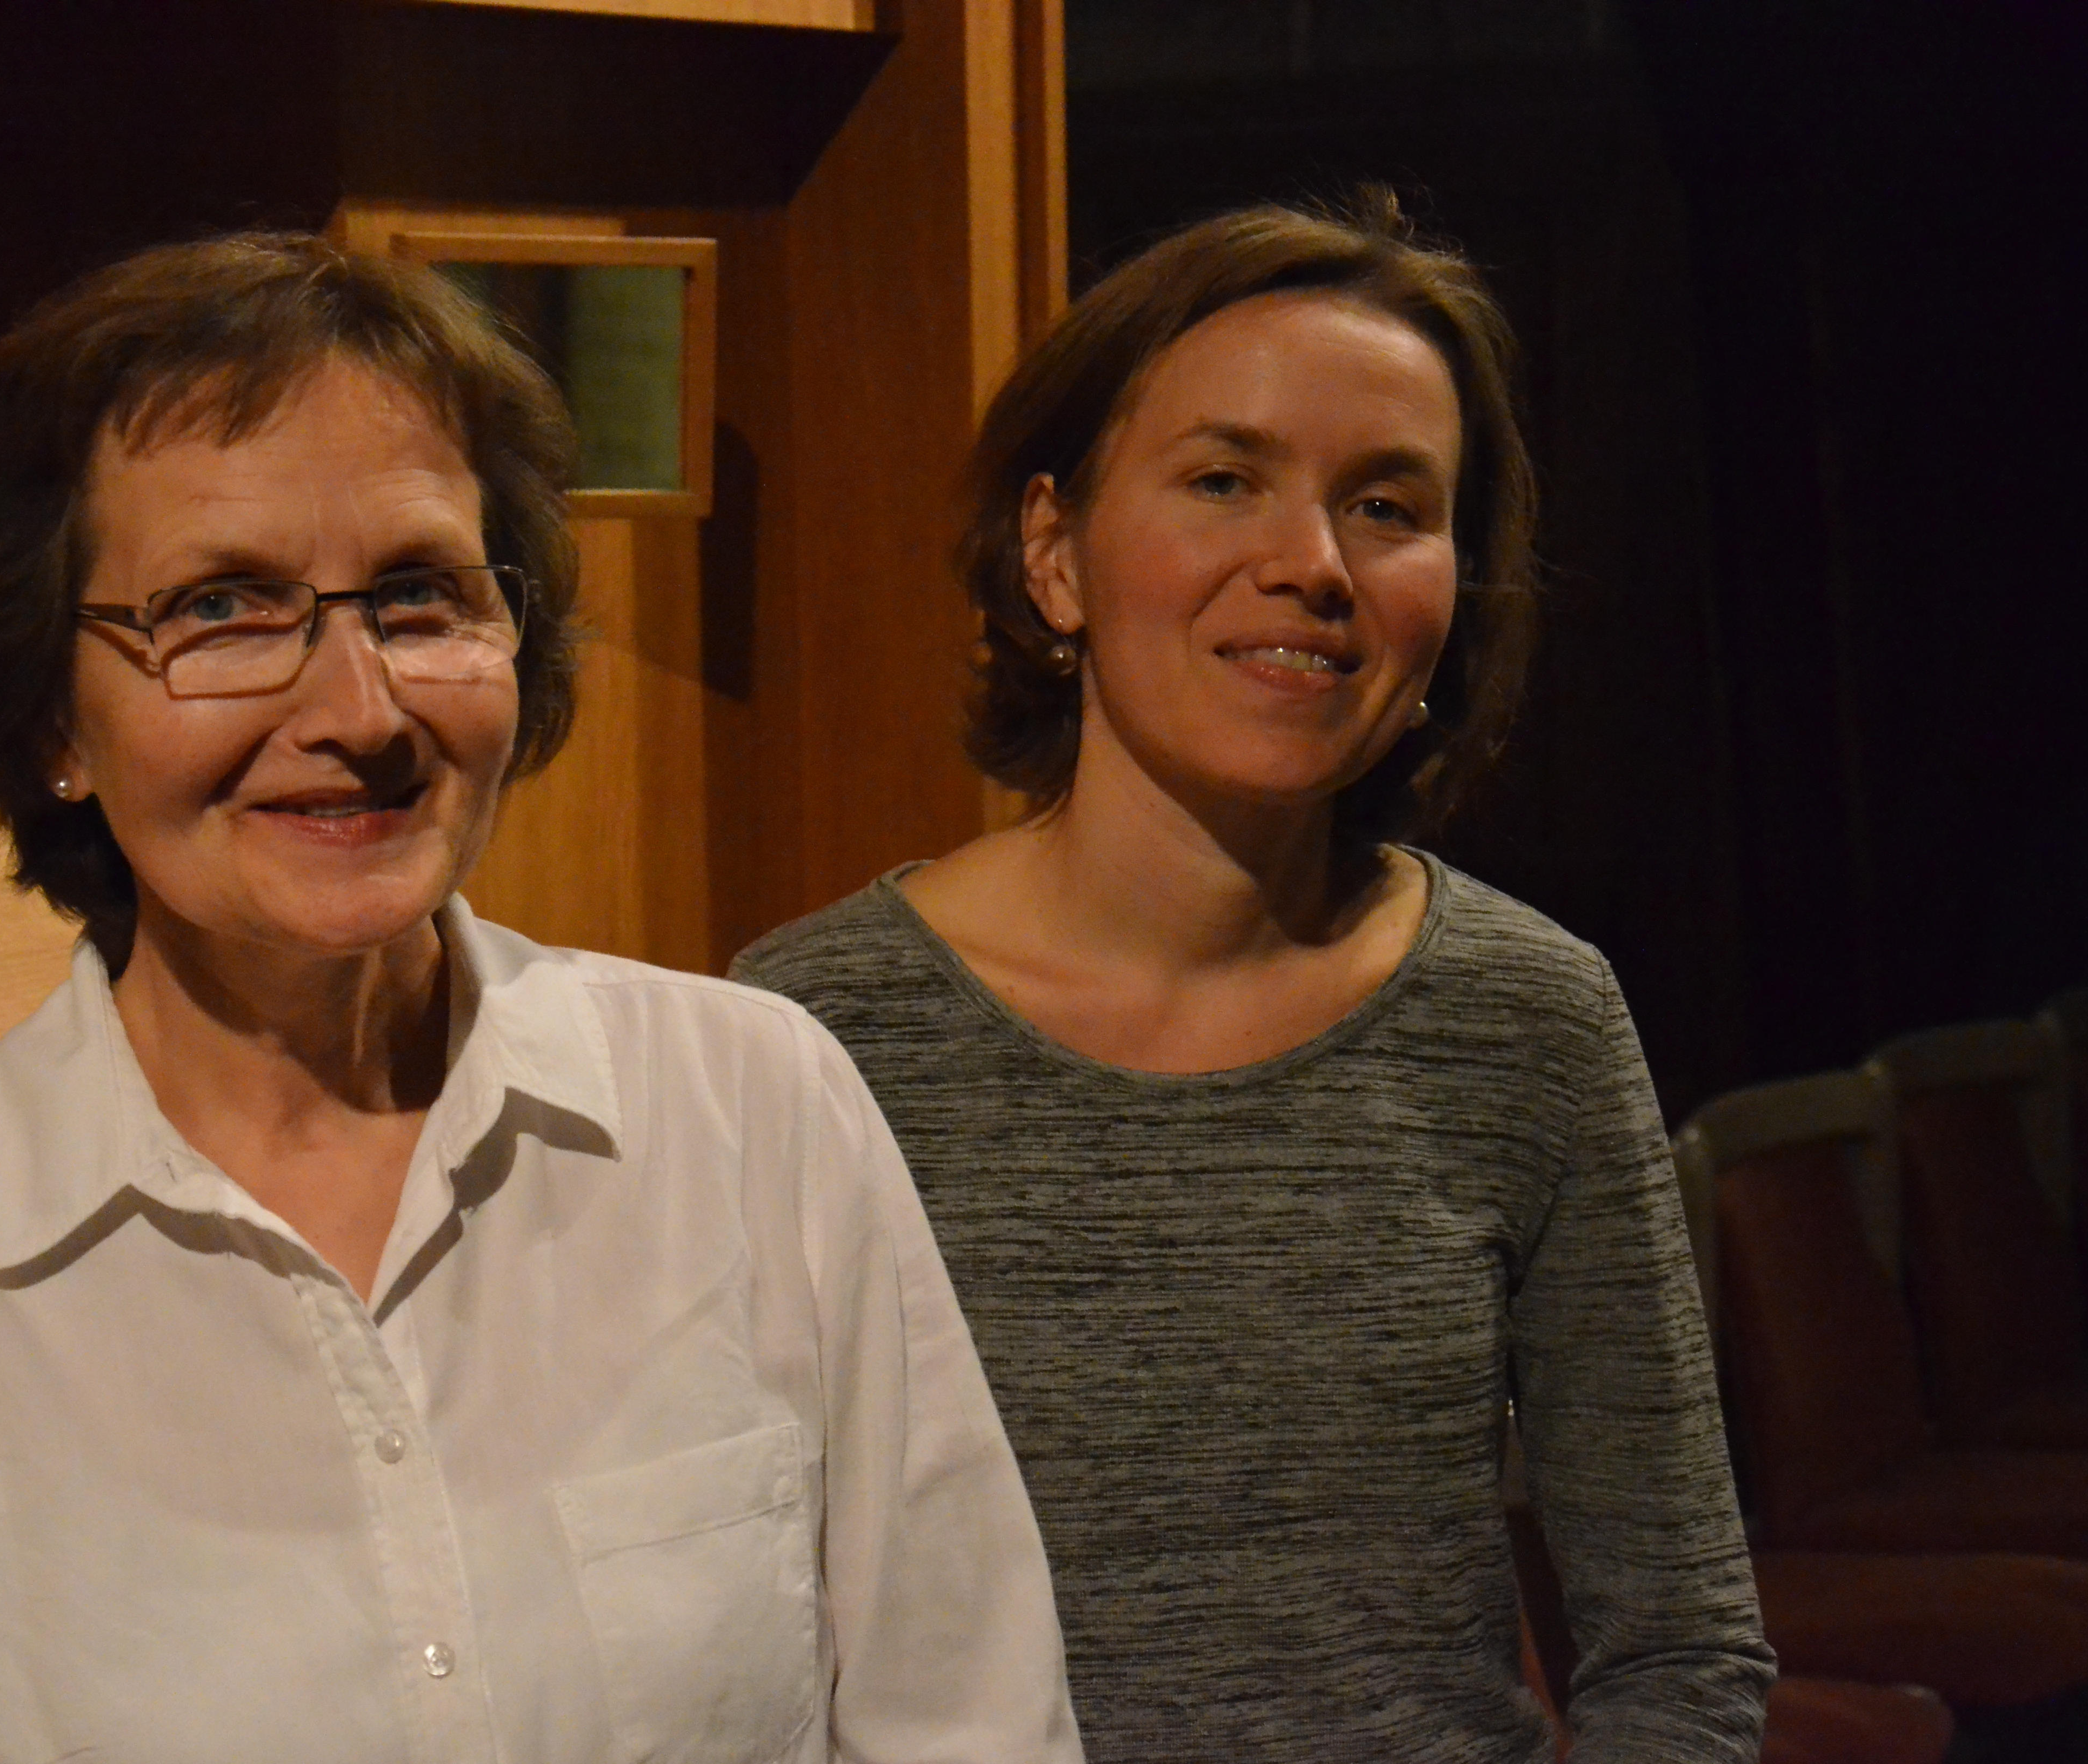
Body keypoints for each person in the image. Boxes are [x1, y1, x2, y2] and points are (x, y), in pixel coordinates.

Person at [0, 233, 1080, 1764]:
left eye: (419, 596)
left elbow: (972, 1725)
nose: (359, 712)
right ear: (50, 721)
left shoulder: (754, 1105)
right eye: (221, 608)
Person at [732, 193, 1775, 1760]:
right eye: (1225, 481)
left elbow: (1680, 1649)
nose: (1312, 564)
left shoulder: (1529, 1019)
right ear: (1054, 555)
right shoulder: (812, 1033)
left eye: (1388, 506)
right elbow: (743, 1647)